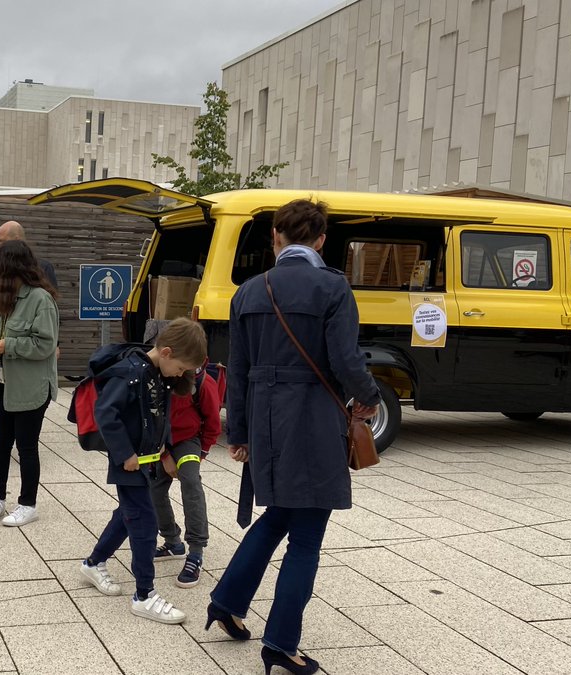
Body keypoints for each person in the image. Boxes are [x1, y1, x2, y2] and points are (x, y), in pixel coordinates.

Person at [209, 199, 379, 675]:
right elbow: (346, 360)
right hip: (311, 418)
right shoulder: (332, 287)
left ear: (275, 237)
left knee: (280, 512)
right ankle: (281, 644)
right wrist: (369, 396)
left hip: (264, 417)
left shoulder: (247, 292)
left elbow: (236, 372)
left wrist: (237, 431)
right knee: (306, 534)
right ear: (321, 240)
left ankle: (226, 602)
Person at [78, 318, 207, 625]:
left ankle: (93, 564)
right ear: (166, 352)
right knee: (145, 525)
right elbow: (105, 412)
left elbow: (158, 416)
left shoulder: (156, 373)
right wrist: (125, 454)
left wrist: (165, 449)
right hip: (130, 461)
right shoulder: (130, 373)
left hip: (147, 458)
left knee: (128, 514)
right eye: (180, 368)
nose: (179, 375)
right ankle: (144, 595)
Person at [0, 241, 59, 528]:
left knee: (26, 446)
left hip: (31, 387)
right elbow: (1, 336)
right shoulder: (3, 297)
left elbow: (45, 344)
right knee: (0, 444)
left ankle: (27, 503)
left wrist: (7, 345)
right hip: (4, 384)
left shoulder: (40, 299)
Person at [150, 360, 220, 588]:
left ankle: (196, 552)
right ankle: (172, 542)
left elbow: (212, 423)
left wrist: (200, 455)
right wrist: (164, 456)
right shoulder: (158, 375)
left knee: (190, 482)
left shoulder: (203, 382)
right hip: (160, 443)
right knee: (153, 489)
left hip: (189, 441)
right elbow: (151, 416)